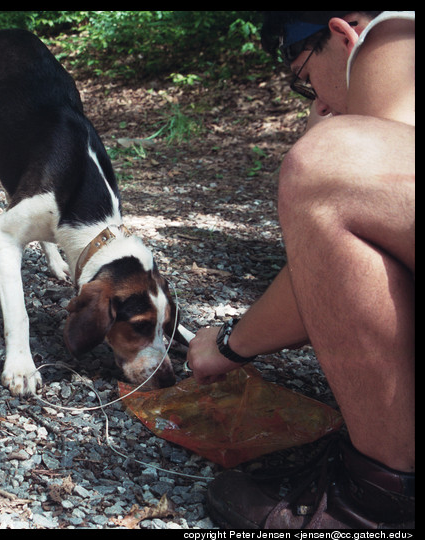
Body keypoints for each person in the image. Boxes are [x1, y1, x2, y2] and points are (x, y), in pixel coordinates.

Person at [186, 11, 414, 529]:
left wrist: (227, 345)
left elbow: (336, 204)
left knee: (326, 163)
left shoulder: (393, 33)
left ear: (341, 33)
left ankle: (374, 502)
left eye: (305, 79)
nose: (319, 102)